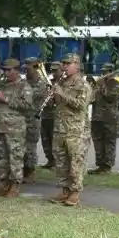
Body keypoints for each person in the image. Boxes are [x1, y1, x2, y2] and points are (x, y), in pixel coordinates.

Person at [48, 53, 92, 207]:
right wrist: (54, 95)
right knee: (61, 161)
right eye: (64, 63)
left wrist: (62, 94)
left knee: (75, 161)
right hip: (60, 128)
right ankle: (64, 190)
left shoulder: (83, 85)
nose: (65, 66)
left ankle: (75, 192)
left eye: (68, 63)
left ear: (77, 65)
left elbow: (81, 105)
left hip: (75, 130)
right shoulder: (62, 82)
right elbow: (58, 103)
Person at [0, 58, 34, 197]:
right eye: (5, 70)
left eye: (9, 70)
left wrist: (5, 99)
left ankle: (15, 184)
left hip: (15, 128)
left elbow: (27, 106)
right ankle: (5, 183)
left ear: (17, 70)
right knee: (1, 157)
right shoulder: (3, 85)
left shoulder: (24, 86)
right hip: (0, 126)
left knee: (15, 157)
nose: (6, 73)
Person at [89, 62, 119, 174]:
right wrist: (92, 87)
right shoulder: (98, 84)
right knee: (98, 142)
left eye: (106, 72)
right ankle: (100, 166)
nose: (103, 73)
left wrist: (102, 86)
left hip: (110, 118)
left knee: (109, 143)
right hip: (97, 118)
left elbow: (110, 97)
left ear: (111, 73)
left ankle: (107, 167)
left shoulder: (116, 85)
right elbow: (90, 99)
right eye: (103, 71)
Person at [23, 58, 48, 183]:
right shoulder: (25, 82)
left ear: (35, 68)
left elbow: (29, 95)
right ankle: (23, 170)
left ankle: (30, 171)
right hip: (22, 118)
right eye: (25, 69)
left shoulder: (41, 83)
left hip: (33, 119)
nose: (26, 71)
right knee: (21, 146)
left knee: (30, 147)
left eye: (28, 69)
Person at [40, 61, 62, 169]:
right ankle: (50, 160)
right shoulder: (49, 82)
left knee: (55, 140)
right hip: (45, 114)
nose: (53, 73)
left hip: (56, 115)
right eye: (52, 70)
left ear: (61, 70)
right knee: (45, 139)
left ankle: (56, 161)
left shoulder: (63, 83)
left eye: (56, 70)